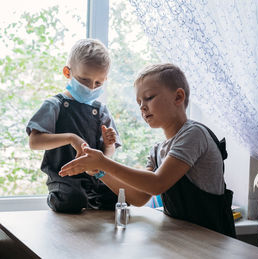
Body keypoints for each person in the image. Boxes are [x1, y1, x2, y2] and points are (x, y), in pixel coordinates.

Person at [59, 63, 236, 237]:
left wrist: (104, 162)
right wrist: (100, 171)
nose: (142, 107)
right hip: (184, 238)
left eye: (149, 97)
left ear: (178, 97)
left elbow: (157, 184)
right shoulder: (157, 150)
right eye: (139, 102)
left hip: (212, 239)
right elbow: (139, 198)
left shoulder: (194, 134)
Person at [26, 39, 121, 213]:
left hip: (95, 176)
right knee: (73, 200)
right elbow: (34, 142)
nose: (91, 88)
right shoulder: (55, 105)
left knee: (119, 197)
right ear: (67, 72)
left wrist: (108, 145)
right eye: (84, 80)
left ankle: (92, 201)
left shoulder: (101, 111)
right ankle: (56, 197)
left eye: (98, 83)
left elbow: (110, 150)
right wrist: (71, 138)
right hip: (64, 177)